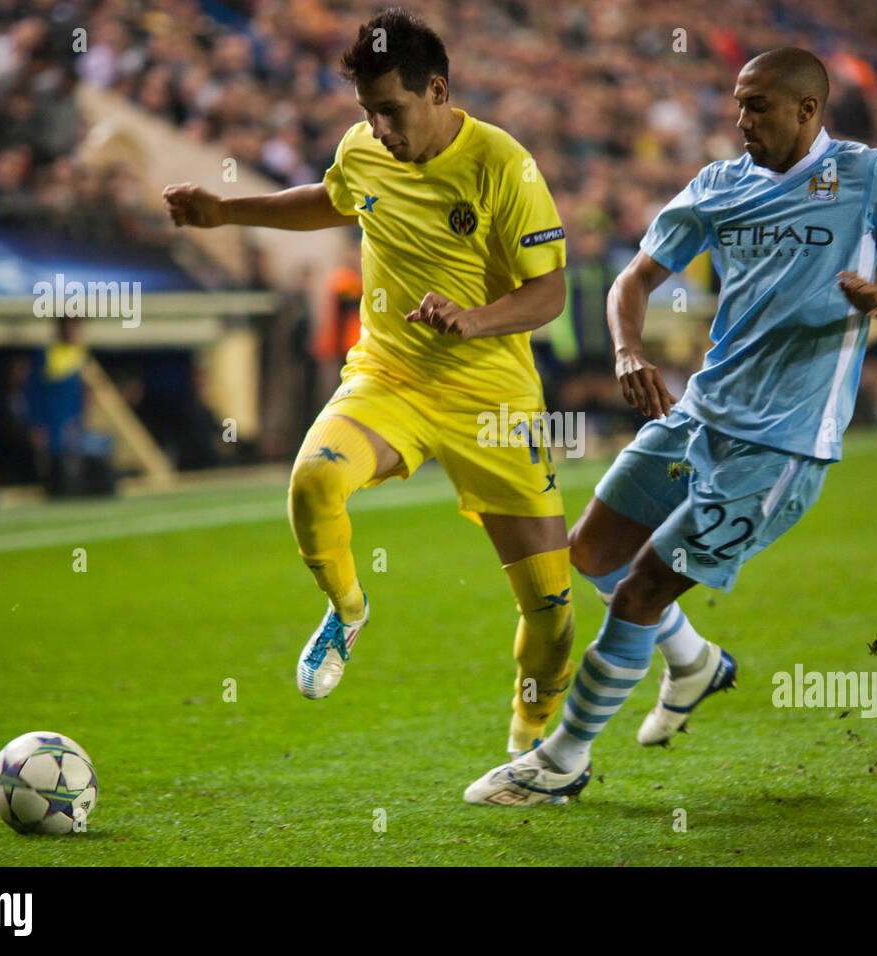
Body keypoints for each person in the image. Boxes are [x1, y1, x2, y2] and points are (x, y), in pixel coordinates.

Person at [466, 47, 877, 806]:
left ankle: (561, 762)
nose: (741, 119)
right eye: (737, 102)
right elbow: (634, 280)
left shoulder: (866, 175)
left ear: (808, 110)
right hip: (699, 413)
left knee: (640, 591)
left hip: (781, 445)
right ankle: (695, 662)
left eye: (759, 105)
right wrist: (629, 349)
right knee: (594, 551)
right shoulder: (719, 185)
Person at [162, 8, 576, 761]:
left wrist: (475, 319)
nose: (379, 128)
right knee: (314, 480)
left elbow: (550, 293)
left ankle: (530, 731)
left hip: (493, 399)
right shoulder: (363, 148)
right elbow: (332, 198)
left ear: (439, 90)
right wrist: (226, 212)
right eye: (368, 112)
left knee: (551, 610)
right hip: (390, 375)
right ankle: (347, 611)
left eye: (391, 110)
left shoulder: (503, 165)